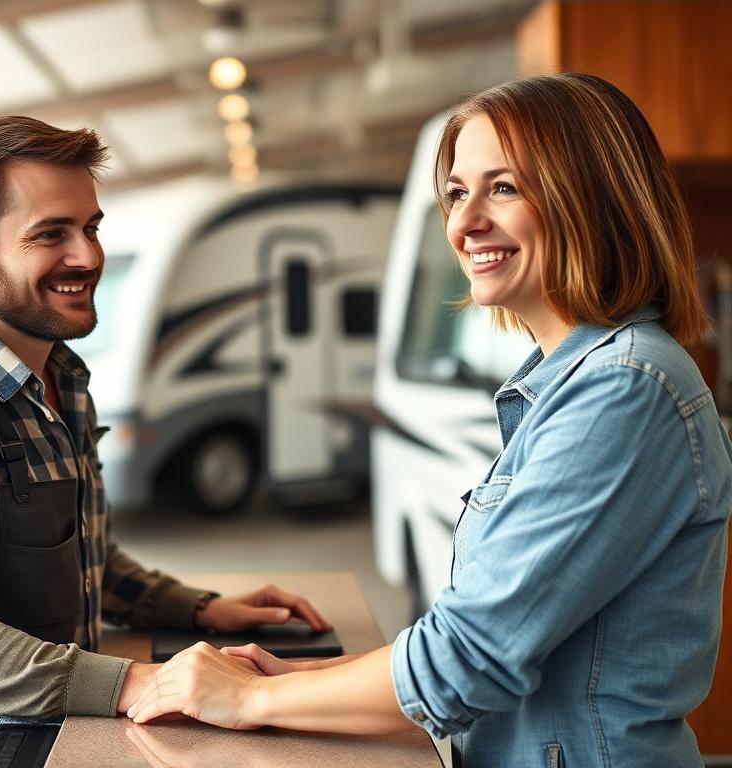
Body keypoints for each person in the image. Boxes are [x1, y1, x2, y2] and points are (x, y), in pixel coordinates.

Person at [125, 73, 732, 767]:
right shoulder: (574, 380)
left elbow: (470, 657)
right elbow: (472, 633)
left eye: (502, 188)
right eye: (455, 193)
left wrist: (247, 701)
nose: (464, 222)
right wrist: (297, 678)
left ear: (592, 195)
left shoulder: (624, 390)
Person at [0, 116, 330, 766]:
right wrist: (141, 681)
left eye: (91, 227)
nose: (88, 257)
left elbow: (86, 562)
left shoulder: (60, 377)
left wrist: (201, 608)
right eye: (51, 234)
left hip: (32, 733)